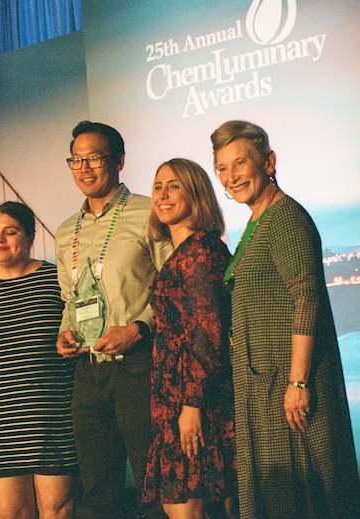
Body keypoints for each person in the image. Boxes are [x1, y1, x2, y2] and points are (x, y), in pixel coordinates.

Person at [210, 120, 359, 518]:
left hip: (285, 389)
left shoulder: (286, 218)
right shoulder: (256, 222)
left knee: (300, 500)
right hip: (263, 387)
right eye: (222, 168)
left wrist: (298, 381)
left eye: (239, 163)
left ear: (269, 161)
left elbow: (306, 298)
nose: (231, 176)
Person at [55, 120, 173, 519]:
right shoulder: (64, 231)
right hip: (87, 372)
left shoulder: (149, 212)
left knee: (152, 484)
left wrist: (140, 329)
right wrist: (64, 332)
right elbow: (70, 299)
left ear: (119, 161)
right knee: (98, 492)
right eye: (76, 159)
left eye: (95, 158)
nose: (84, 168)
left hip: (140, 367)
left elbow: (175, 291)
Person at [0, 201, 77, 519]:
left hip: (53, 419)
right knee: (11, 514)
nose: (0, 239)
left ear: (31, 236)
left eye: (10, 232)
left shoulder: (57, 282)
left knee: (58, 511)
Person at [143, 159, 237, 519]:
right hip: (176, 398)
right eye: (157, 186)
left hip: (194, 401)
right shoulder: (185, 251)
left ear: (195, 194)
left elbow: (207, 332)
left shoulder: (200, 250)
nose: (163, 194)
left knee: (186, 506)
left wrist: (192, 405)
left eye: (174, 186)